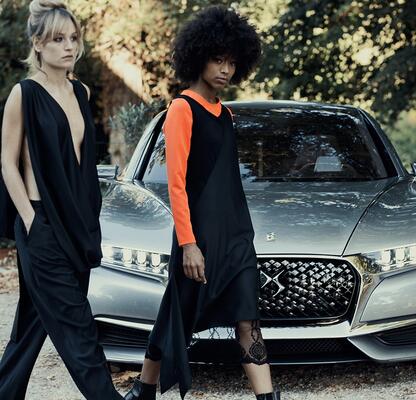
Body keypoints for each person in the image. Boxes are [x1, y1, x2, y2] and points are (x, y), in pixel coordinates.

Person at [124, 6, 280, 400]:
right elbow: (176, 184)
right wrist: (188, 244)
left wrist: (243, 235)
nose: (225, 69)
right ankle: (144, 389)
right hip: (199, 240)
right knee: (175, 317)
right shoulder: (182, 109)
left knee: (248, 322)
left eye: (232, 62)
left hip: (236, 238)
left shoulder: (226, 114)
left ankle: (268, 398)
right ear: (199, 57)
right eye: (218, 59)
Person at [0, 1, 123, 399]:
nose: (69, 46)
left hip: (76, 225)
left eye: (73, 38)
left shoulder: (80, 91)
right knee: (77, 325)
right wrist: (30, 221)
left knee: (31, 328)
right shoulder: (24, 94)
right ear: (38, 43)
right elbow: (7, 162)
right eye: (58, 39)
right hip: (41, 223)